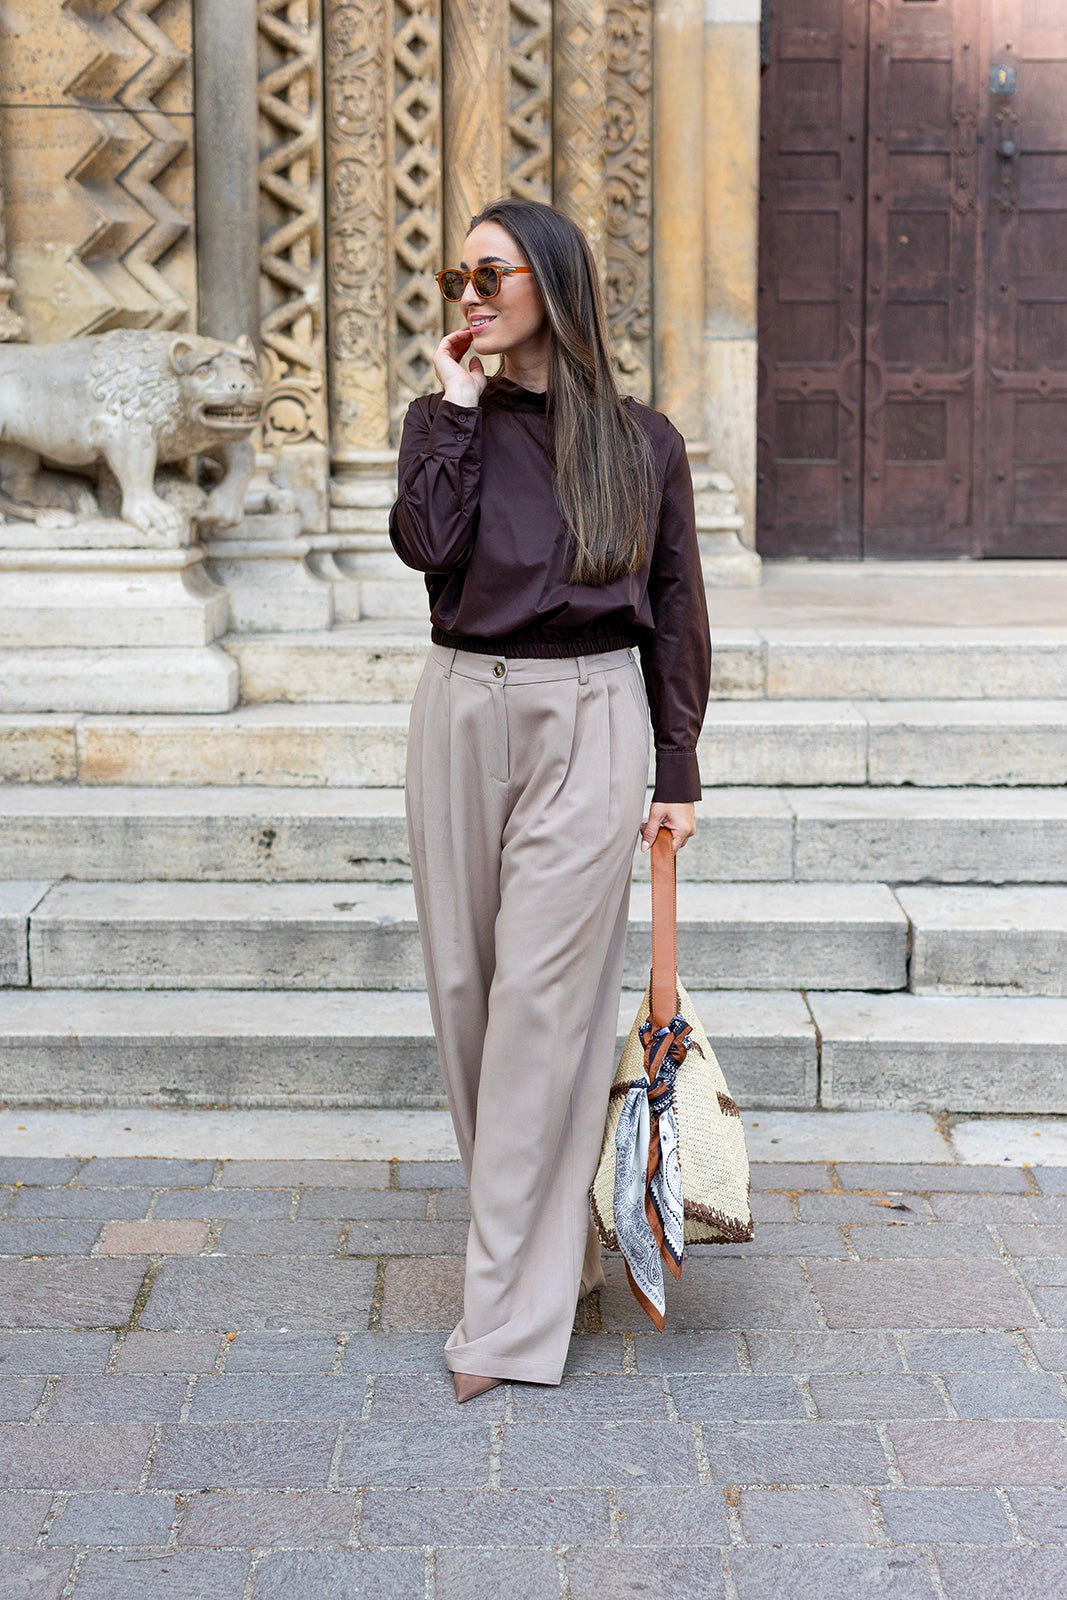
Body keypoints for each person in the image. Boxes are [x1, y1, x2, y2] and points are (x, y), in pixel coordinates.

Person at [389, 198, 711, 1402]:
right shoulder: (444, 423)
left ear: (552, 285)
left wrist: (675, 766)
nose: (468, 295)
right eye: (457, 277)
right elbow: (426, 545)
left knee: (537, 1007)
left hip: (588, 714)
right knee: (467, 998)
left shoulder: (641, 443)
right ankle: (548, 1252)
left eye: (491, 274)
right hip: (460, 709)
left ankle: (505, 1325)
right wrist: (453, 405)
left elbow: (674, 608)